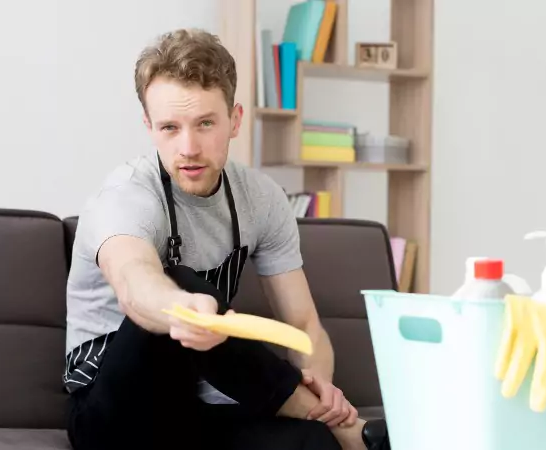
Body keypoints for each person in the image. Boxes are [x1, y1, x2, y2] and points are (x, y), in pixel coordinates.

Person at [63, 28, 391, 450]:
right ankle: (346, 431)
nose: (188, 147)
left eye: (205, 123)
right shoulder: (126, 195)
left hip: (193, 407)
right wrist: (182, 309)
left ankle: (325, 423)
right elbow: (133, 280)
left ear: (234, 120)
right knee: (184, 284)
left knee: (311, 442)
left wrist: (321, 389)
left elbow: (304, 325)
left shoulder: (262, 200)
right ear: (149, 126)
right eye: (169, 128)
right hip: (110, 413)